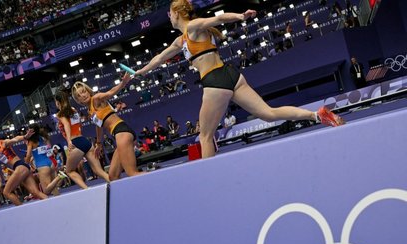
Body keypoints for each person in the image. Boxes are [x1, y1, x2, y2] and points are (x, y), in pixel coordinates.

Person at [136, 1, 345, 158]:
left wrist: (241, 16)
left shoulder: (193, 27)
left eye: (169, 13)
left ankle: (209, 175)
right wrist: (141, 72)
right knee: (268, 113)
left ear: (177, 13)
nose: (168, 17)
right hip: (231, 75)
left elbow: (217, 19)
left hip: (215, 80)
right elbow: (160, 58)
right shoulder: (180, 40)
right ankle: (317, 115)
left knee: (205, 136)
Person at [71, 76, 143, 180]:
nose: (82, 95)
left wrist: (123, 82)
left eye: (83, 91)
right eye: (79, 95)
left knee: (132, 173)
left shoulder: (96, 98)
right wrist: (99, 144)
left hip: (122, 131)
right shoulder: (90, 111)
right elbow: (99, 126)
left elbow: (110, 93)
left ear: (88, 91)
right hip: (119, 134)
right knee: (113, 176)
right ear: (78, 100)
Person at [54, 88, 110, 188]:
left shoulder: (60, 114)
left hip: (75, 143)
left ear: (58, 102)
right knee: (98, 170)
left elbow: (67, 125)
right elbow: (79, 125)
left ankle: (87, 189)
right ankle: (114, 182)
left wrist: (69, 141)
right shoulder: (74, 110)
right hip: (85, 141)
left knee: (69, 171)